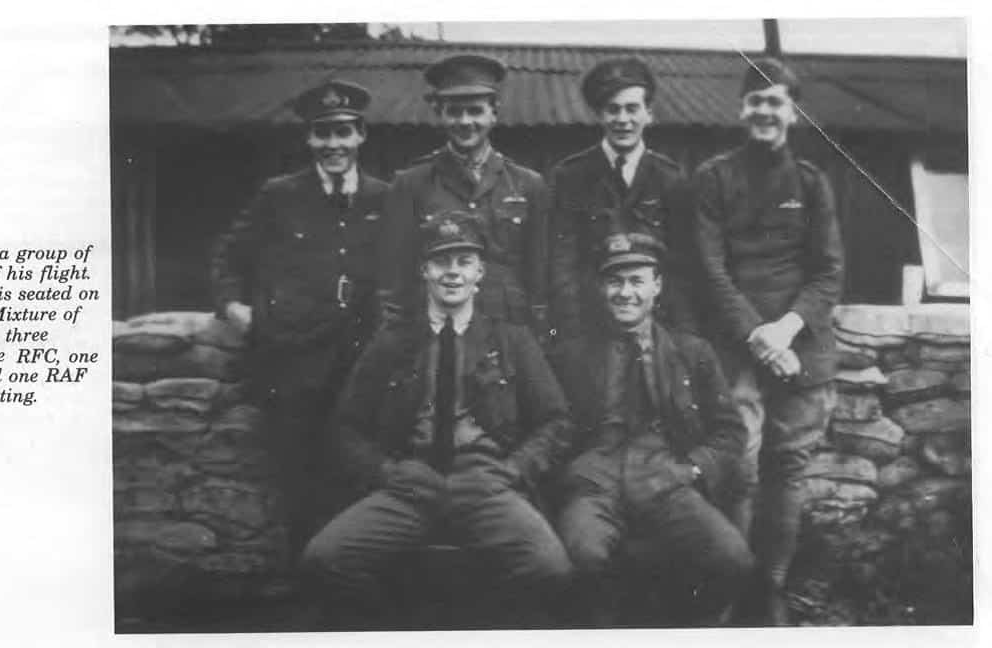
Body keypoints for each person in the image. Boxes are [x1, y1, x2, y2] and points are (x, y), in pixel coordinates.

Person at [302, 212, 574, 629]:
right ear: (424, 270)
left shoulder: (511, 339)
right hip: (411, 482)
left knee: (550, 567)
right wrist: (386, 472)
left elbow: (556, 421)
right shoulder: (393, 341)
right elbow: (345, 427)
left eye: (464, 261)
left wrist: (513, 470)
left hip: (485, 482)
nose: (453, 272)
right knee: (324, 558)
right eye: (441, 261)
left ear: (480, 272)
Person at [210, 79, 390, 558]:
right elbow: (229, 257)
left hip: (361, 365)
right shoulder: (280, 195)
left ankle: (352, 573)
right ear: (309, 139)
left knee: (359, 474)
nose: (333, 144)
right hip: (294, 365)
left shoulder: (384, 197)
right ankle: (305, 578)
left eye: (343, 132)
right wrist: (234, 308)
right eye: (322, 133)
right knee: (299, 480)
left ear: (360, 135)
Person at [692, 58, 844, 624]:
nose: (764, 110)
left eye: (775, 101)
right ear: (741, 109)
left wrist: (786, 330)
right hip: (738, 348)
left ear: (793, 112)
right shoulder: (713, 178)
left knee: (788, 469)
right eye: (754, 100)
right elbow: (709, 270)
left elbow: (828, 272)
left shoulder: (811, 182)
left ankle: (771, 589)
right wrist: (758, 335)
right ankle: (731, 589)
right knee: (737, 468)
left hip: (801, 348)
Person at [552, 229, 752, 626]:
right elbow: (548, 429)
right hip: (595, 480)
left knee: (733, 559)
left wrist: (693, 469)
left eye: (636, 281)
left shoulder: (692, 352)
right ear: (601, 287)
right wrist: (571, 475)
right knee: (582, 558)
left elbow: (730, 432)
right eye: (614, 281)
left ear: (657, 285)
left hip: (666, 475)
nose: (625, 293)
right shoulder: (568, 355)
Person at [377, 54, 552, 340]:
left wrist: (538, 333)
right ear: (440, 114)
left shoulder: (527, 184)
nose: (465, 121)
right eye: (454, 112)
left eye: (475, 111)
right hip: (436, 332)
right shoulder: (411, 184)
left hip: (508, 330)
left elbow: (539, 275)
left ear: (494, 113)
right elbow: (396, 279)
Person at [548, 57, 699, 341]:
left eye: (632, 108)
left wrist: (682, 337)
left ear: (649, 113)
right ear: (599, 115)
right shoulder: (570, 177)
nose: (622, 119)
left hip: (658, 327)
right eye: (612, 109)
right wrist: (573, 332)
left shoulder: (671, 179)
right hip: (591, 326)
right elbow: (562, 265)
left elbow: (682, 266)